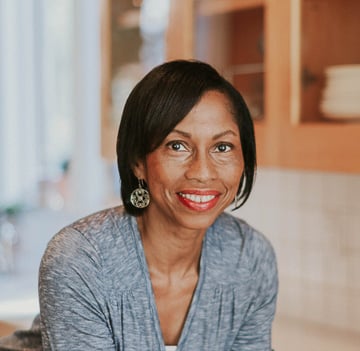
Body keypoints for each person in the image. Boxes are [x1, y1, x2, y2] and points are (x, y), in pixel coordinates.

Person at [38, 59, 278, 350]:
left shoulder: (249, 259)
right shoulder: (81, 261)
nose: (202, 172)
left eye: (222, 147)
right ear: (138, 162)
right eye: (177, 146)